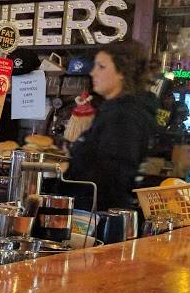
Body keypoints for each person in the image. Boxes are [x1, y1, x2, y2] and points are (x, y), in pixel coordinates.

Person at [66, 42, 159, 211]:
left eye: (101, 67)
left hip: (98, 216)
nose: (93, 72)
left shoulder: (124, 116)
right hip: (94, 211)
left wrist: (68, 168)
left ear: (122, 72)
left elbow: (113, 177)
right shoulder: (114, 109)